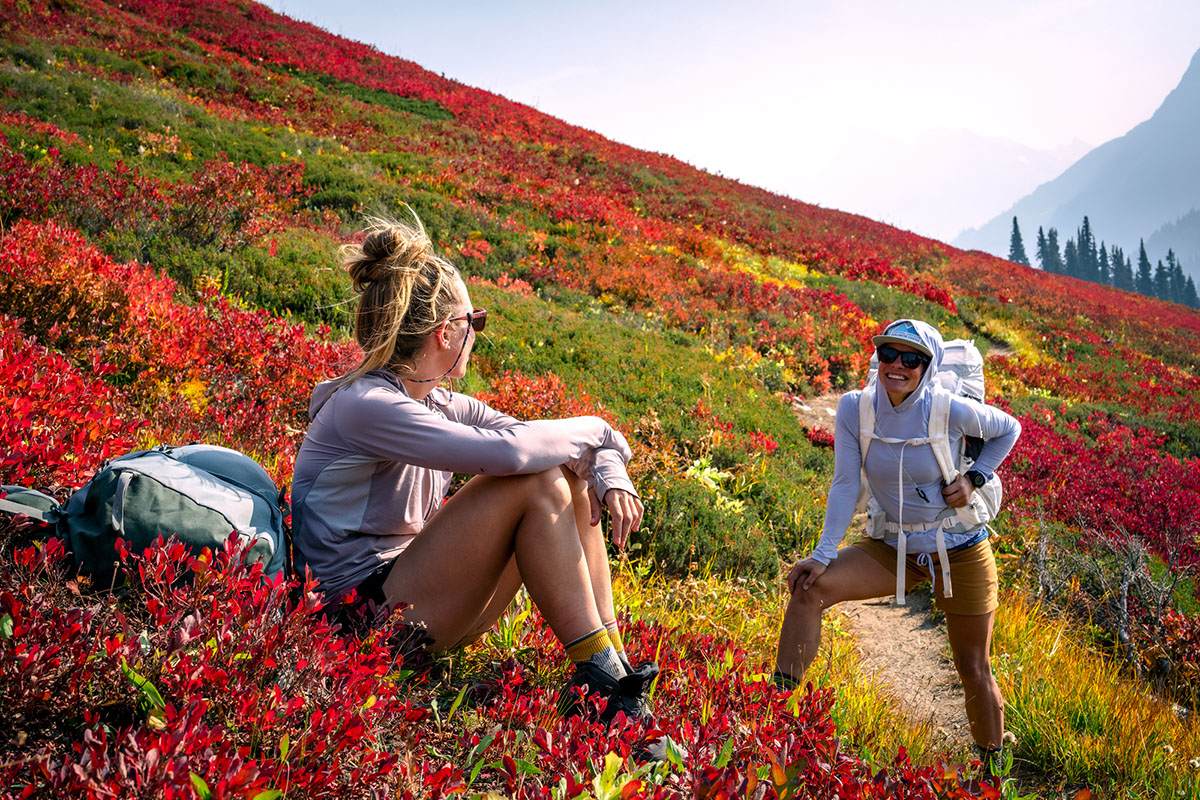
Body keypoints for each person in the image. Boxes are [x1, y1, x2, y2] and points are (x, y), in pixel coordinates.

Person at [290, 212, 657, 723]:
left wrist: (608, 469)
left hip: (412, 600)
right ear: (446, 333)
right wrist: (597, 427)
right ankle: (609, 691)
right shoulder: (366, 405)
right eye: (475, 322)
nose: (477, 334)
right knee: (533, 480)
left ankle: (614, 675)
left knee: (561, 475)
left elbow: (555, 448)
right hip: (354, 625)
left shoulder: (436, 402)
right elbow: (515, 455)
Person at [774, 319, 1021, 771]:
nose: (898, 365)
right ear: (877, 358)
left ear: (928, 367)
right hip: (894, 543)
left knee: (972, 665)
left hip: (960, 546)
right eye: (889, 354)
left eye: (912, 359)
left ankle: (993, 771)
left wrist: (974, 478)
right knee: (808, 590)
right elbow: (846, 483)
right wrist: (823, 555)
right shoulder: (855, 409)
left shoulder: (948, 408)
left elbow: (1010, 429)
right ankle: (776, 722)